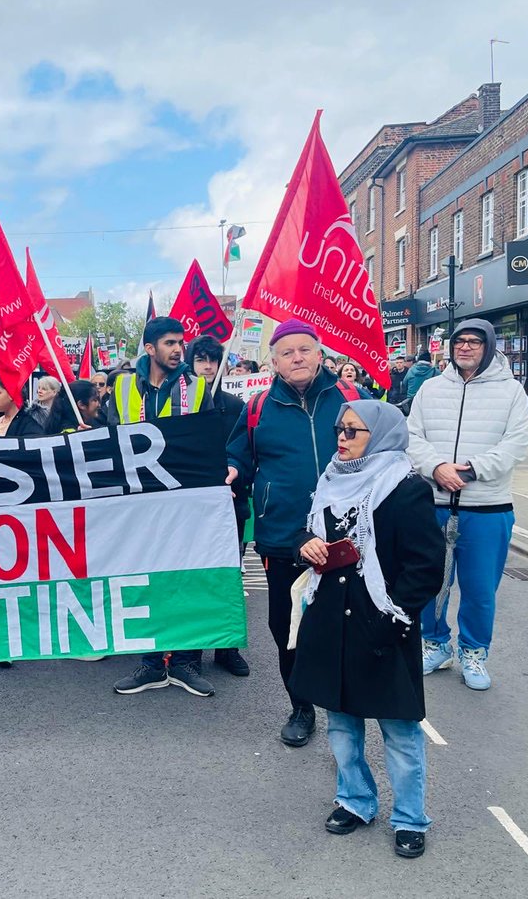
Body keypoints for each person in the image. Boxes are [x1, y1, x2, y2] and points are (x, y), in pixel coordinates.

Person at [292, 401, 444, 858]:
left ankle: (410, 818)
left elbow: (425, 566)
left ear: (379, 436)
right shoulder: (331, 480)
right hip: (331, 620)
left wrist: (389, 619)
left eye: (353, 431)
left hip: (382, 624)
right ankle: (355, 801)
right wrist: (307, 545)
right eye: (340, 429)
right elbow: (304, 533)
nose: (342, 438)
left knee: (399, 729)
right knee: (341, 723)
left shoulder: (407, 488)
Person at [225, 319, 367, 746]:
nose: (297, 358)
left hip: (346, 533)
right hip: (283, 535)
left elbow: (381, 451)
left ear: (320, 354)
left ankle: (348, 701)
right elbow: (240, 457)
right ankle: (301, 706)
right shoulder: (257, 408)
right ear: (274, 362)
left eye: (305, 349)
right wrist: (232, 470)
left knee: (347, 623)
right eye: (287, 352)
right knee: (287, 627)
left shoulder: (350, 399)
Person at [407, 319, 528, 691]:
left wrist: (473, 470)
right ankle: (435, 644)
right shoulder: (430, 389)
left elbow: (517, 443)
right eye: (459, 341)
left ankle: (474, 652)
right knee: (430, 583)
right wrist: (436, 468)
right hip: (434, 503)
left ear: (488, 347)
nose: (465, 347)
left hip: (487, 507)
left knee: (479, 591)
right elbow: (412, 436)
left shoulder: (511, 392)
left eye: (474, 342)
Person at [107, 317, 216, 698]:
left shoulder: (199, 388)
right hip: (138, 505)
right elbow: (108, 444)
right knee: (143, 581)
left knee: (187, 579)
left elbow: (209, 441)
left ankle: (186, 662)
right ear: (150, 348)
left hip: (185, 505)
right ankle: (151, 664)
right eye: (169, 343)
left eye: (180, 343)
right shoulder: (121, 387)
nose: (177, 350)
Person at [187, 334, 250, 677]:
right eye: (201, 359)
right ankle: (190, 652)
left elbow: (243, 454)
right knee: (194, 579)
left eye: (213, 359)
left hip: (228, 508)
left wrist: (232, 472)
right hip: (189, 512)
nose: (208, 366)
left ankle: (227, 648)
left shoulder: (235, 407)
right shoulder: (180, 407)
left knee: (228, 578)